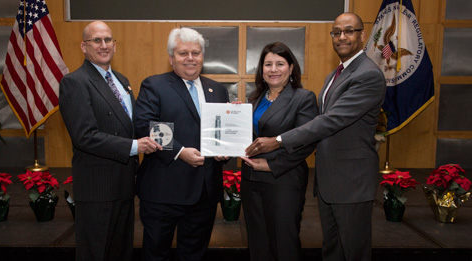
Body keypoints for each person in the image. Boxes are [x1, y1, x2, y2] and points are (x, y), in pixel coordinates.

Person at [244, 13, 386, 261]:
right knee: (333, 251)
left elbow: (331, 121)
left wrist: (278, 141)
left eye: (349, 31)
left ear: (363, 35)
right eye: (337, 32)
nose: (342, 37)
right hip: (330, 179)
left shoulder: (368, 74)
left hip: (351, 180)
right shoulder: (335, 75)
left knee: (353, 252)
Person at [58, 21, 161, 261]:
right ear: (84, 46)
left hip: (124, 187)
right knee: (96, 254)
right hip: (97, 191)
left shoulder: (121, 80)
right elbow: (85, 136)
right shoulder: (75, 82)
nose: (103, 45)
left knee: (120, 253)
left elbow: (130, 125)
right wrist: (135, 147)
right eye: (96, 40)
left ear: (115, 45)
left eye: (108, 40)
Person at [134, 27, 230, 261]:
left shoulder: (217, 89)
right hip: (163, 193)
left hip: (204, 194)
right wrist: (180, 152)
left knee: (195, 255)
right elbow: (146, 125)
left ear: (202, 56)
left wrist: (224, 150)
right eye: (183, 53)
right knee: (156, 254)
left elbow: (221, 131)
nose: (190, 58)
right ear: (171, 58)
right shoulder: (154, 86)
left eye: (195, 53)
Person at [240, 42, 318, 261]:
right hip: (251, 182)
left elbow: (307, 141)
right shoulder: (255, 99)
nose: (273, 69)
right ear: (261, 70)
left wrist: (271, 165)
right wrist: (234, 116)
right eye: (268, 64)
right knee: (258, 245)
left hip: (283, 182)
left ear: (291, 68)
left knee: (284, 246)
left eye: (280, 64)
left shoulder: (303, 98)